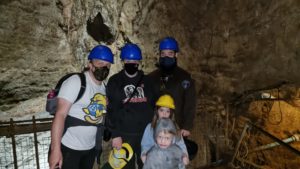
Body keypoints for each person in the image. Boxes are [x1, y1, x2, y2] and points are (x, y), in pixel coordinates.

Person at [48, 45, 114, 169]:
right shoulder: (76, 82)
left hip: (89, 149)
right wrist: (55, 150)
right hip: (69, 148)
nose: (104, 67)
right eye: (100, 63)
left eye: (108, 65)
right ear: (90, 64)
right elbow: (60, 115)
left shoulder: (104, 88)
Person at [106, 43, 158, 169]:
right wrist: (115, 135)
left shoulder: (148, 81)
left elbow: (155, 106)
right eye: (128, 60)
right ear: (123, 61)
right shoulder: (115, 81)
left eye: (134, 60)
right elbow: (111, 110)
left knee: (147, 165)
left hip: (146, 135)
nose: (131, 63)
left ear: (139, 62)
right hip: (124, 135)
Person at [149, 37, 196, 137]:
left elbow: (190, 103)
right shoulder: (151, 78)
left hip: (177, 129)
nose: (166, 57)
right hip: (155, 128)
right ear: (160, 55)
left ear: (176, 55)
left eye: (170, 53)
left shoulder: (185, 78)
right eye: (163, 54)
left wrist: (187, 126)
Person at [141, 94, 189, 165]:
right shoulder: (150, 127)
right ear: (157, 111)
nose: (164, 114)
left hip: (172, 162)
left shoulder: (175, 128)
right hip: (155, 162)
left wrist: (185, 155)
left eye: (167, 111)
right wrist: (144, 154)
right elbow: (145, 145)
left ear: (171, 113)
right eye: (161, 110)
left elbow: (181, 145)